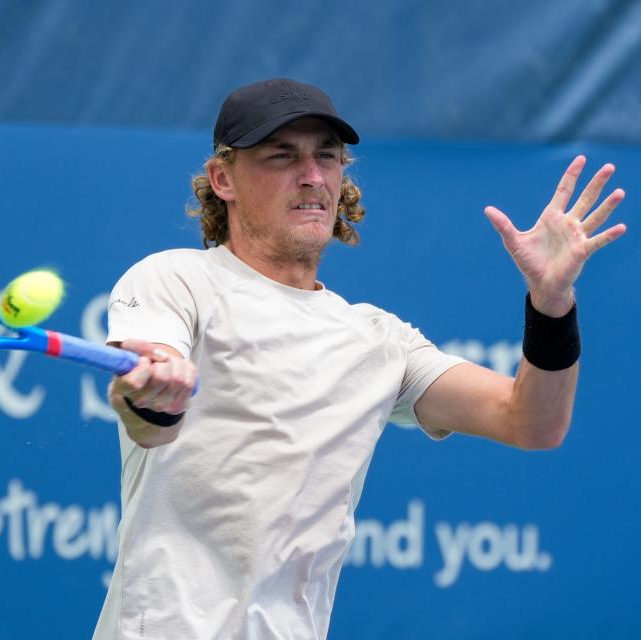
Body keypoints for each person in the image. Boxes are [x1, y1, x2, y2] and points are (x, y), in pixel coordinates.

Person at [92, 78, 627, 639]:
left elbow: (533, 422)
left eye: (327, 156)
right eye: (282, 156)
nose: (312, 176)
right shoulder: (176, 279)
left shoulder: (379, 340)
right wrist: (154, 393)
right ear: (223, 179)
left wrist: (551, 304)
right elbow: (146, 409)